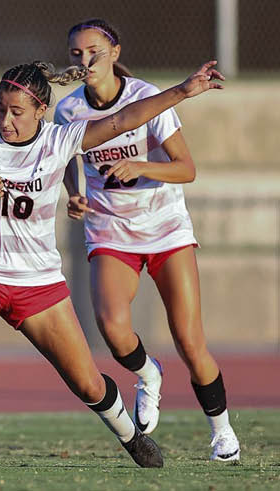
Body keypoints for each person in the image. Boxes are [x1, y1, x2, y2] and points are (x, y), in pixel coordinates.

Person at [0, 59, 224, 471]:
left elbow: (124, 119)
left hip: (39, 282)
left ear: (40, 110)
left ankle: (129, 435)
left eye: (16, 112)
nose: (6, 121)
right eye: (0, 110)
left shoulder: (60, 139)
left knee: (87, 382)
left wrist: (183, 91)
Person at [57, 19, 239, 462]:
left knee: (191, 343)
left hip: (165, 230)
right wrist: (75, 194)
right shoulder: (67, 110)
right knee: (114, 332)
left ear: (115, 52)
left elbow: (185, 169)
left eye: (94, 52)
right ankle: (148, 373)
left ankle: (222, 433)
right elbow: (66, 157)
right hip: (111, 231)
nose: (85, 62)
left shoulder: (145, 97)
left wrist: (143, 166)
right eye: (77, 55)